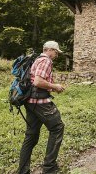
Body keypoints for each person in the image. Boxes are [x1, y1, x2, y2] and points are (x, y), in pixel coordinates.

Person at [18, 41, 66, 174]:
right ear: (49, 50)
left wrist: (50, 87)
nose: (56, 55)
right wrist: (55, 86)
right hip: (40, 103)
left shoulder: (37, 59)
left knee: (31, 136)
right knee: (57, 127)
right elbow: (38, 81)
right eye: (56, 52)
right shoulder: (46, 60)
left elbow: (35, 81)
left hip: (30, 102)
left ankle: (23, 171)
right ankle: (49, 168)